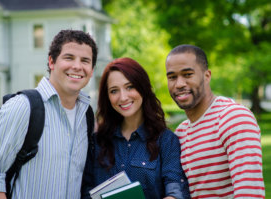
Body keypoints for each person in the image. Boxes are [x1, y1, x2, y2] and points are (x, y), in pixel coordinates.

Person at [0, 29, 98, 199]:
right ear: (51, 62)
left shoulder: (86, 116)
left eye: (85, 60)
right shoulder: (23, 107)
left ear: (92, 70)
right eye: (69, 58)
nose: (77, 66)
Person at [81, 57, 190, 199]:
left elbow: (175, 191)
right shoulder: (96, 142)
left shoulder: (166, 141)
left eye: (130, 87)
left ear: (142, 87)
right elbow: (85, 191)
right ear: (107, 97)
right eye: (114, 91)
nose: (123, 97)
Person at [165, 44, 265, 198]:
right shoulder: (180, 132)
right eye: (172, 77)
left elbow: (249, 193)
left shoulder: (233, 117)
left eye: (188, 74)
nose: (179, 84)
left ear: (207, 76)